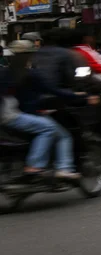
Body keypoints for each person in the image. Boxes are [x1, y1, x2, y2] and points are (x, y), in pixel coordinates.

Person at [0, 40, 87, 179]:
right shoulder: (31, 74)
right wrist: (77, 95)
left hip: (15, 114)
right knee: (55, 131)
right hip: (13, 115)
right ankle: (45, 166)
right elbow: (53, 90)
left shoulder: (6, 73)